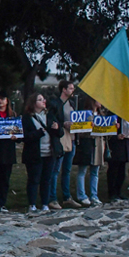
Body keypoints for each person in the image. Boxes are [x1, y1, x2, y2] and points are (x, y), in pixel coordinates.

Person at [21, 92, 63, 212]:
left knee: (47, 179)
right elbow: (25, 137)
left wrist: (57, 128)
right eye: (40, 100)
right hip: (34, 154)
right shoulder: (27, 118)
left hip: (50, 153)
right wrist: (38, 133)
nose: (43, 101)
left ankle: (45, 203)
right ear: (34, 103)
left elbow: (60, 133)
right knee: (34, 179)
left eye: (44, 99)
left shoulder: (50, 115)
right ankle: (32, 204)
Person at [47, 80, 80, 210]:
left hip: (71, 138)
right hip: (61, 138)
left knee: (67, 170)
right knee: (56, 169)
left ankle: (67, 197)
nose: (72, 90)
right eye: (70, 88)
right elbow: (52, 120)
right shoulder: (56, 103)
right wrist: (62, 125)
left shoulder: (72, 104)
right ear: (64, 89)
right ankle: (52, 198)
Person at [74, 97, 105, 206]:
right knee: (82, 170)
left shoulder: (101, 115)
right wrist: (88, 127)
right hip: (87, 143)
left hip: (98, 144)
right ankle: (81, 195)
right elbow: (79, 129)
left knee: (95, 171)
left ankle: (94, 195)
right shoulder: (85, 114)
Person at [107, 116, 129, 201]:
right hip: (115, 148)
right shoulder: (112, 115)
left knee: (121, 172)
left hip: (124, 146)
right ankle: (112, 192)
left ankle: (118, 191)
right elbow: (107, 132)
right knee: (113, 171)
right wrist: (116, 137)